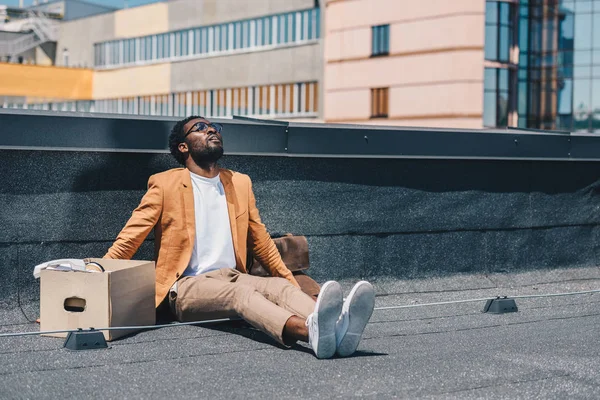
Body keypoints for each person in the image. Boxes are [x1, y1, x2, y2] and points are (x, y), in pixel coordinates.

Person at [104, 116, 375, 359]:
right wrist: (95, 275)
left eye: (214, 127)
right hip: (185, 286)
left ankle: (339, 327)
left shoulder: (239, 182)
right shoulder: (165, 183)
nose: (211, 130)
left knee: (279, 288)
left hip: (233, 274)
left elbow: (262, 243)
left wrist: (293, 285)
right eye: (200, 128)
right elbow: (131, 238)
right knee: (241, 294)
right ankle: (311, 332)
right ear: (183, 147)